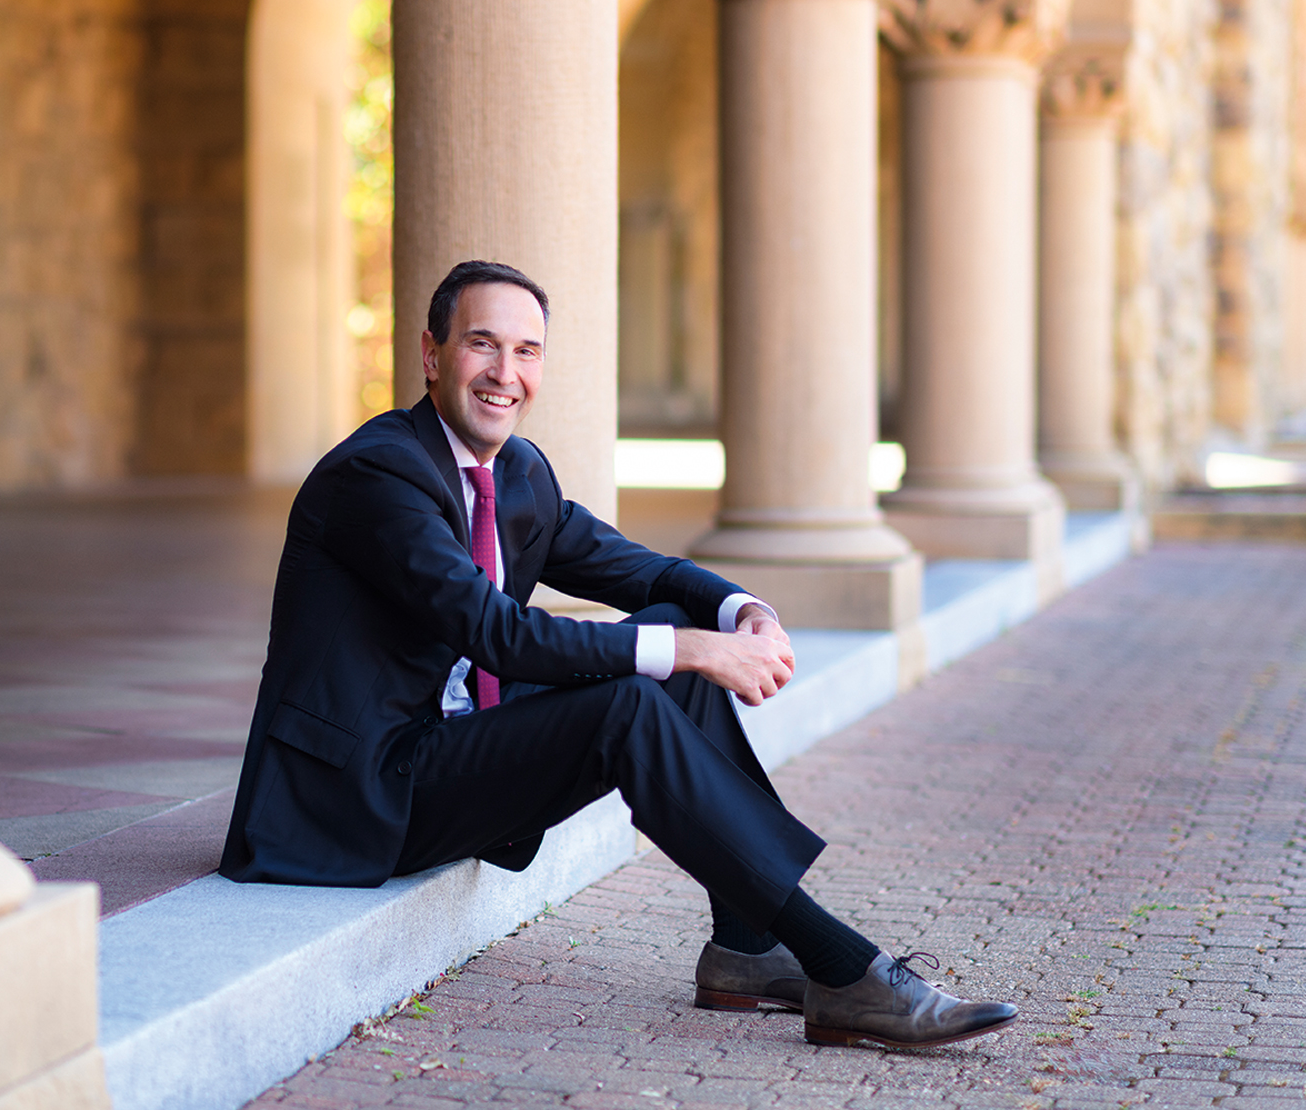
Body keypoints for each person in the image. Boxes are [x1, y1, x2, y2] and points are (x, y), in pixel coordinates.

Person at [219, 259, 1016, 1050]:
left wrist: (742, 611)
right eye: (482, 345)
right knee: (640, 687)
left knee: (672, 633)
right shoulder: (379, 473)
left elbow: (643, 570)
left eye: (527, 351)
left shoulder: (519, 473)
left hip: (445, 744)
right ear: (432, 354)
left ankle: (743, 945)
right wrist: (690, 649)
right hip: (354, 789)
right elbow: (498, 635)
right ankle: (845, 968)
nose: (505, 373)